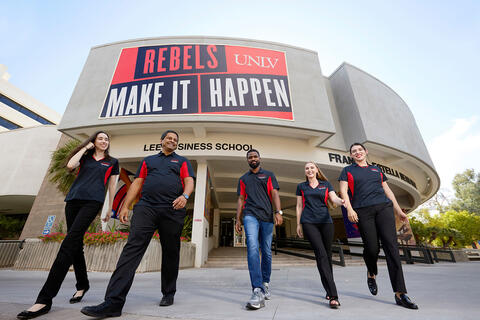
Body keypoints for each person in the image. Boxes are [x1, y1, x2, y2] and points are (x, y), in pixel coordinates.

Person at [81, 130, 195, 318]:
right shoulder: (148, 160)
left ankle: (168, 293)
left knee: (171, 251)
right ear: (161, 140)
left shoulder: (182, 161)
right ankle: (113, 302)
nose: (172, 141)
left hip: (172, 209)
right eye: (169, 138)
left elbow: (189, 181)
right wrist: (125, 206)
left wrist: (185, 196)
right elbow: (137, 183)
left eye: (175, 140)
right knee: (132, 250)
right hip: (146, 208)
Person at [17, 131, 119, 320]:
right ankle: (82, 285)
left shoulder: (112, 162)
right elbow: (70, 165)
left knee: (68, 244)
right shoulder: (86, 157)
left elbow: (112, 186)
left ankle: (44, 300)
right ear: (94, 141)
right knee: (75, 245)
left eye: (107, 139)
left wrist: (109, 209)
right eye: (101, 138)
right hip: (73, 200)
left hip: (92, 202)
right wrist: (85, 148)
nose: (104, 141)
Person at [338, 142, 418, 309]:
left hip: (384, 208)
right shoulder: (348, 170)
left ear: (366, 152)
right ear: (351, 155)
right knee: (372, 248)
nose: (358, 152)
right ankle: (371, 271)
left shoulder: (376, 170)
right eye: (354, 151)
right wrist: (349, 209)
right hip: (362, 211)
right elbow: (344, 191)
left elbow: (388, 191)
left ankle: (400, 293)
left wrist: (398, 211)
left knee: (391, 248)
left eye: (360, 150)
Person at [235, 149, 283, 310]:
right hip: (250, 215)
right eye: (250, 157)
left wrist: (278, 212)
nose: (253, 159)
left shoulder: (269, 175)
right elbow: (241, 199)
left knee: (266, 251)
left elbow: (274, 194)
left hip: (267, 217)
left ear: (259, 159)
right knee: (253, 247)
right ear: (247, 160)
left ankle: (265, 283)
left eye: (255, 156)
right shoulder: (243, 179)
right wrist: (238, 219)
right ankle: (257, 289)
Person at [296, 162, 344, 309]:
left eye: (312, 167)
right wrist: (298, 224)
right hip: (309, 222)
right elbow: (299, 206)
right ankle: (333, 295)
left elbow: (334, 199)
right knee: (321, 254)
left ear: (317, 170)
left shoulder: (326, 184)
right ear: (305, 171)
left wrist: (343, 201)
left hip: (326, 222)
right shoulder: (301, 187)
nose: (309, 170)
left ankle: (328, 289)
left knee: (326, 256)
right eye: (307, 168)